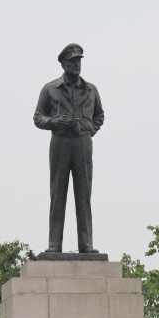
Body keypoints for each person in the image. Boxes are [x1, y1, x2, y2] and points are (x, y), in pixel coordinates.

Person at [33, 43, 105, 254]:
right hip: (60, 142)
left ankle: (86, 243)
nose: (77, 65)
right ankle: (55, 244)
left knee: (84, 195)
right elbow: (38, 117)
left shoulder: (91, 90)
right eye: (73, 61)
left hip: (82, 143)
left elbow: (100, 115)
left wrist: (90, 129)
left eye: (79, 61)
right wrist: (54, 122)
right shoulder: (50, 89)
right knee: (58, 193)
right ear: (63, 64)